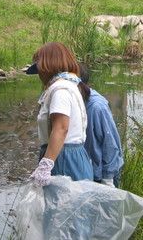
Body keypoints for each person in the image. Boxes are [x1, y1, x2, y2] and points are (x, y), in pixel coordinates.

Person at [28, 42, 93, 186]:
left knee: (62, 207)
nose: (38, 75)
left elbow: (61, 128)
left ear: (47, 66)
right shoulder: (71, 84)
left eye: (38, 68)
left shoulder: (60, 90)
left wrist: (46, 164)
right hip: (72, 156)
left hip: (63, 158)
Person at [78, 64, 124, 187]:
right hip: (87, 171)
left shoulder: (96, 107)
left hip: (101, 175)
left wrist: (107, 178)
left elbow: (110, 144)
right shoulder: (76, 103)